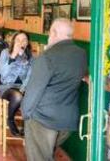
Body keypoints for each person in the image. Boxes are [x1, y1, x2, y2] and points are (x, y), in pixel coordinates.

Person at [21, 18, 88, 161]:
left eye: (50, 33)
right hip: (68, 121)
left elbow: (33, 92)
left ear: (54, 33)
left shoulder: (46, 57)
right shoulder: (81, 54)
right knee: (47, 155)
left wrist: (25, 115)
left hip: (43, 119)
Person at [0, 31, 32, 136]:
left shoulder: (30, 57)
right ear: (13, 41)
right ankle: (10, 119)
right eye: (18, 40)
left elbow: (30, 76)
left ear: (27, 43)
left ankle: (26, 125)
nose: (21, 42)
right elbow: (2, 74)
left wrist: (23, 87)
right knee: (18, 96)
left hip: (23, 88)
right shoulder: (5, 53)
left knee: (34, 97)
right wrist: (13, 56)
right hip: (6, 87)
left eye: (24, 40)